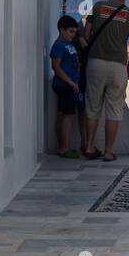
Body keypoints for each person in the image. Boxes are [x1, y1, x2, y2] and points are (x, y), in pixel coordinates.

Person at [83, 0, 129, 161]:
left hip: (96, 62)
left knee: (93, 107)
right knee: (114, 109)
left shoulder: (99, 6)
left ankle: (90, 147)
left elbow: (86, 34)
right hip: (118, 66)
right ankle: (108, 152)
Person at [48, 15, 83, 158]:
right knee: (67, 116)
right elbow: (56, 66)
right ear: (62, 30)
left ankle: (63, 146)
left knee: (64, 114)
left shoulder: (69, 44)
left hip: (71, 84)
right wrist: (69, 81)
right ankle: (64, 147)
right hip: (65, 85)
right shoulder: (58, 46)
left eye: (74, 32)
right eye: (70, 32)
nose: (72, 35)